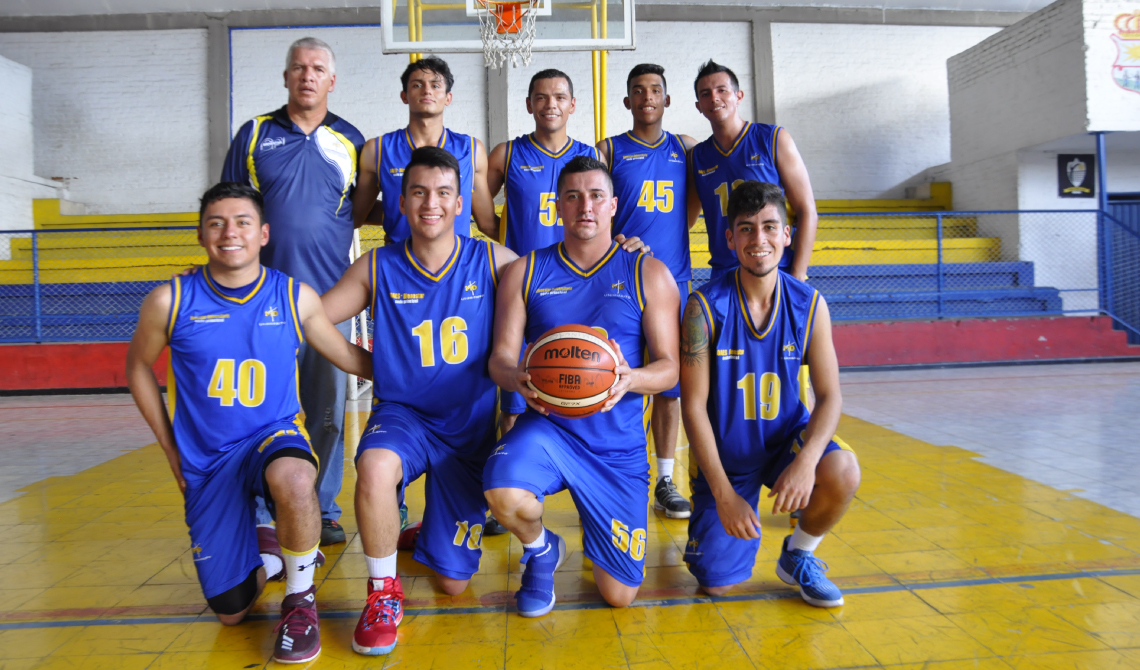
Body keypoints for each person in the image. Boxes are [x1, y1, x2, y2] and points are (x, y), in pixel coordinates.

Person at [125, 182, 373, 663]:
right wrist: (171, 450)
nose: (229, 233)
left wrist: (421, 376)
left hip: (272, 436)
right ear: (200, 235)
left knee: (298, 477)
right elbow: (137, 367)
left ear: (263, 234)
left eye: (241, 222)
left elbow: (347, 356)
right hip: (208, 458)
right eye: (216, 223)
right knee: (231, 610)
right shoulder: (169, 300)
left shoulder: (294, 297)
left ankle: (300, 600)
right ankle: (271, 553)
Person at [321, 147, 517, 655]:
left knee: (452, 583)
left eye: (444, 193)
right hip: (403, 416)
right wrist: (368, 364)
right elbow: (314, 318)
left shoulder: (491, 259)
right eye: (419, 192)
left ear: (459, 205)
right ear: (402, 204)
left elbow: (555, 286)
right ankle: (383, 592)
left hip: (468, 430)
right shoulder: (378, 265)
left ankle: (424, 531)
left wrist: (622, 246)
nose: (431, 202)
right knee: (375, 466)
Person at [484, 156, 680, 615]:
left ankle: (599, 529)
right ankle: (541, 551)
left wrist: (632, 379)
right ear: (557, 207)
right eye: (572, 197)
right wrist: (518, 377)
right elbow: (499, 360)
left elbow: (671, 368)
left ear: (613, 205)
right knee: (502, 490)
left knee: (619, 596)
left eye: (595, 197)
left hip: (616, 450)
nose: (584, 207)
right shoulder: (525, 271)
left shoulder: (647, 273)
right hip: (550, 431)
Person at [679, 181, 861, 606]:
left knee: (844, 471)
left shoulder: (810, 304)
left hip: (784, 441)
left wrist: (807, 461)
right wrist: (724, 496)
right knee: (716, 584)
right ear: (730, 238)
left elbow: (830, 395)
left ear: (787, 234)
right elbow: (692, 408)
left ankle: (798, 554)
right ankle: (725, 514)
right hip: (727, 458)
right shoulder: (702, 308)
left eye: (769, 227)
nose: (758, 240)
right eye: (745, 229)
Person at [221, 37, 365, 548]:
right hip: (264, 303)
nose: (307, 75)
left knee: (326, 413)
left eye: (318, 68)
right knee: (264, 412)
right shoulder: (255, 133)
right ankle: (264, 509)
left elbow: (361, 210)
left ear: (331, 80)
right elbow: (231, 212)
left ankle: (323, 507)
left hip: (331, 302)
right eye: (298, 67)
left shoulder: (350, 140)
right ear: (285, 77)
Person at [598, 63, 700, 520]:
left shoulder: (686, 148)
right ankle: (613, 474)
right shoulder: (610, 150)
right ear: (627, 102)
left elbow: (692, 210)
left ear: (667, 99)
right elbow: (597, 210)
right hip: (622, 283)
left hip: (673, 284)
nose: (646, 97)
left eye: (655, 89)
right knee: (616, 378)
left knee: (670, 387)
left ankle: (663, 478)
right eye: (637, 90)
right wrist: (618, 240)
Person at [486, 69, 600, 436]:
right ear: (529, 104)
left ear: (572, 104)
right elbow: (480, 208)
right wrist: (506, 254)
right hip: (523, 288)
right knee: (515, 402)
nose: (550, 104)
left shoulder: (590, 155)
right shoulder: (507, 153)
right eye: (542, 97)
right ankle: (509, 476)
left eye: (559, 97)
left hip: (577, 286)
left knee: (581, 384)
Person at [688, 60, 818, 283]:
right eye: (705, 94)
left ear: (738, 96)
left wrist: (797, 276)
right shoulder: (697, 157)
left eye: (722, 90)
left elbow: (807, 211)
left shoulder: (773, 139)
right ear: (699, 105)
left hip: (775, 269)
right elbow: (685, 220)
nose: (714, 98)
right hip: (725, 274)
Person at [354, 56, 497, 242]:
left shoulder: (471, 150)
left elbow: (487, 223)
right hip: (399, 264)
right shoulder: (377, 150)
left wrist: (540, 252)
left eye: (435, 85)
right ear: (404, 96)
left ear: (448, 97)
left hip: (457, 266)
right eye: (417, 85)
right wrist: (406, 211)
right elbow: (357, 215)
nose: (427, 91)